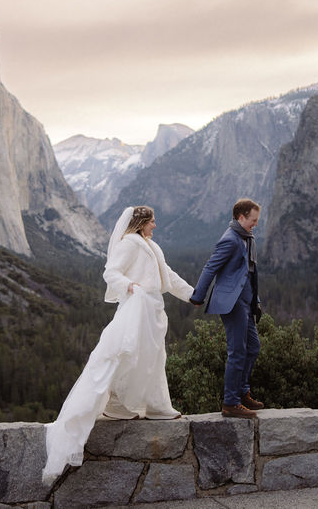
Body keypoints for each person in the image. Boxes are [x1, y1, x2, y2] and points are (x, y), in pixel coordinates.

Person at [42, 205, 195, 485]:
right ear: (140, 223)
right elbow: (111, 272)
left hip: (152, 311)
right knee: (127, 356)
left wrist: (192, 295)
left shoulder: (151, 245)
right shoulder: (129, 244)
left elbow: (168, 275)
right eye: (152, 221)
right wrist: (131, 287)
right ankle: (127, 404)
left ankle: (139, 405)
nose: (155, 226)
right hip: (136, 308)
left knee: (151, 357)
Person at [189, 198, 264, 419]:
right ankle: (231, 403)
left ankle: (242, 392)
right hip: (231, 304)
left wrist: (255, 301)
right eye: (253, 220)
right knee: (237, 351)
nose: (255, 224)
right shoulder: (230, 239)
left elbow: (249, 273)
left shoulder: (248, 238)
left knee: (253, 347)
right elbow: (211, 266)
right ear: (241, 218)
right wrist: (198, 296)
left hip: (246, 303)